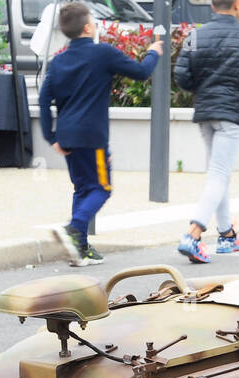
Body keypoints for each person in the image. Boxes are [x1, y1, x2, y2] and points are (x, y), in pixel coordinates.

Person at [39, 2, 162, 267]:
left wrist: (51, 137)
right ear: (87, 27)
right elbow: (141, 72)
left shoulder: (58, 60)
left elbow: (43, 98)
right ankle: (74, 229)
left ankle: (80, 249)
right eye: (94, 20)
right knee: (102, 189)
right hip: (92, 136)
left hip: (67, 136)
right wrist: (153, 52)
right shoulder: (102, 53)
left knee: (82, 188)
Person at [174, 0, 239, 264]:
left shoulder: (194, 35)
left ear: (212, 5)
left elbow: (182, 77)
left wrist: (205, 85)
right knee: (219, 175)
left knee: (218, 175)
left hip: (205, 112)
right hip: (231, 113)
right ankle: (192, 234)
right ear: (238, 6)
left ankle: (227, 234)